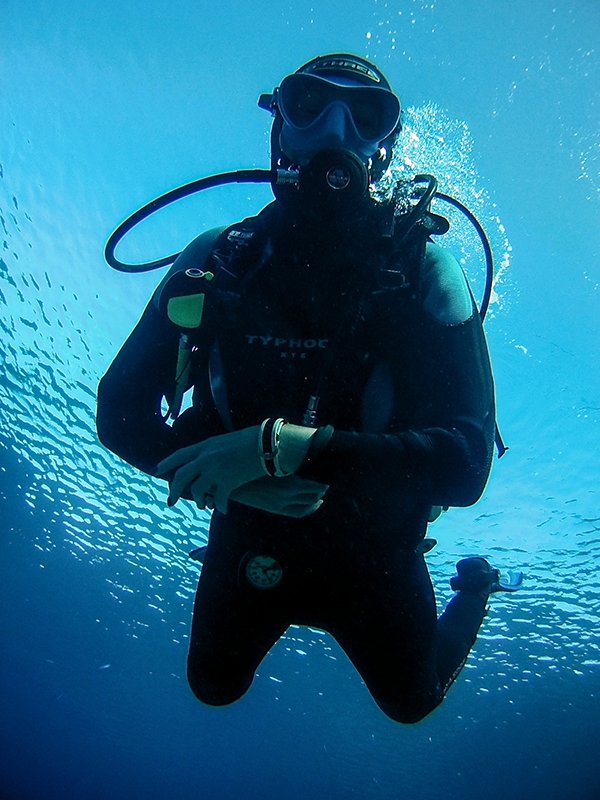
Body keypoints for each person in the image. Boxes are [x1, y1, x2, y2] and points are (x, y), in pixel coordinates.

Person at [97, 53, 517, 724]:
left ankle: (477, 587)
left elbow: (467, 465)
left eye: (365, 115)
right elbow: (118, 412)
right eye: (310, 106)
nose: (335, 131)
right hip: (250, 534)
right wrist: (239, 485)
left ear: (385, 142)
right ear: (280, 124)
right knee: (212, 686)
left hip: (377, 554)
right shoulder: (221, 256)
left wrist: (276, 448)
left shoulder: (422, 267)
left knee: (412, 703)